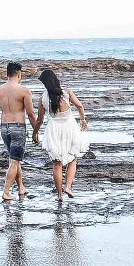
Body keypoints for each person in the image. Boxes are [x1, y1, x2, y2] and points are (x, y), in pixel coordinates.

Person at [0, 61, 40, 202]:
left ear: (7, 74)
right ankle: (6, 191)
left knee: (14, 160)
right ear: (19, 74)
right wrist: (36, 132)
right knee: (15, 161)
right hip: (18, 128)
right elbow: (31, 114)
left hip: (4, 127)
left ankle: (21, 187)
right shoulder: (24, 90)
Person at [36, 67, 89, 200]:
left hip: (54, 130)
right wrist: (82, 119)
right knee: (73, 157)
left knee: (57, 164)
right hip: (69, 127)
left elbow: (40, 120)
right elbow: (80, 106)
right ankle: (68, 187)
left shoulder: (43, 98)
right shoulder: (66, 93)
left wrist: (35, 133)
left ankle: (59, 195)